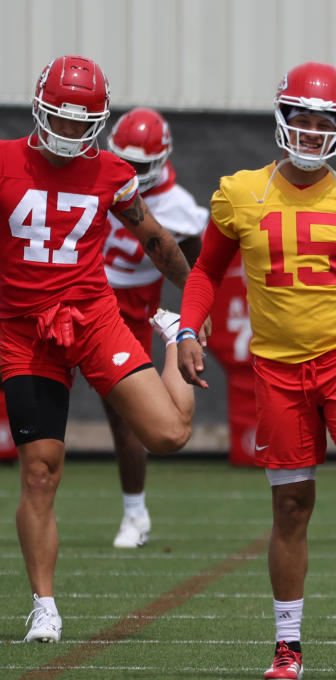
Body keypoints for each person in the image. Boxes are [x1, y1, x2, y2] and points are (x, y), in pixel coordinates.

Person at [176, 62, 336, 680]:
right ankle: (288, 646)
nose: (312, 132)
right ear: (283, 119)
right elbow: (206, 270)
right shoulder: (240, 192)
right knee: (291, 506)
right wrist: (187, 328)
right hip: (278, 369)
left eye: (324, 122)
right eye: (303, 119)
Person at [0, 55, 196, 643]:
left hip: (93, 319)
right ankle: (45, 605)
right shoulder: (5, 161)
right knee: (40, 472)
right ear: (39, 111)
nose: (68, 131)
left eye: (80, 122)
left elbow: (155, 239)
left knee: (168, 435)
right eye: (59, 119)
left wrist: (194, 309)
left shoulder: (111, 171)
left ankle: (172, 335)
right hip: (23, 330)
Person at [102, 107, 208, 549]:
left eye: (140, 165)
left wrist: (192, 320)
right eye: (123, 160)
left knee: (127, 417)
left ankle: (135, 512)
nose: (130, 171)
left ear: (162, 160)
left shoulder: (178, 207)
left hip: (129, 313)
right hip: (76, 295)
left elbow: (200, 273)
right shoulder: (95, 176)